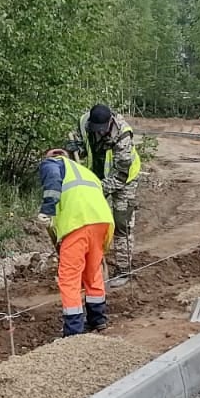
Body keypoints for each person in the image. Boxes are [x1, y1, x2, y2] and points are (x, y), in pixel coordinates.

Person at [36, 147, 115, 336]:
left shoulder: (52, 164)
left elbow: (53, 181)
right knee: (92, 271)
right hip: (101, 221)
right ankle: (98, 319)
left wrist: (47, 209)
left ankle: (73, 331)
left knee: (69, 276)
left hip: (78, 223)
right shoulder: (84, 172)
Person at [72, 103, 141, 286]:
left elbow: (121, 174)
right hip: (97, 176)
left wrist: (98, 189)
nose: (99, 133)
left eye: (102, 130)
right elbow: (82, 146)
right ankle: (90, 265)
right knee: (92, 221)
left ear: (110, 122)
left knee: (121, 223)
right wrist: (74, 148)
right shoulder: (84, 122)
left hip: (125, 179)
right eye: (96, 130)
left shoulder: (123, 135)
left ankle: (124, 270)